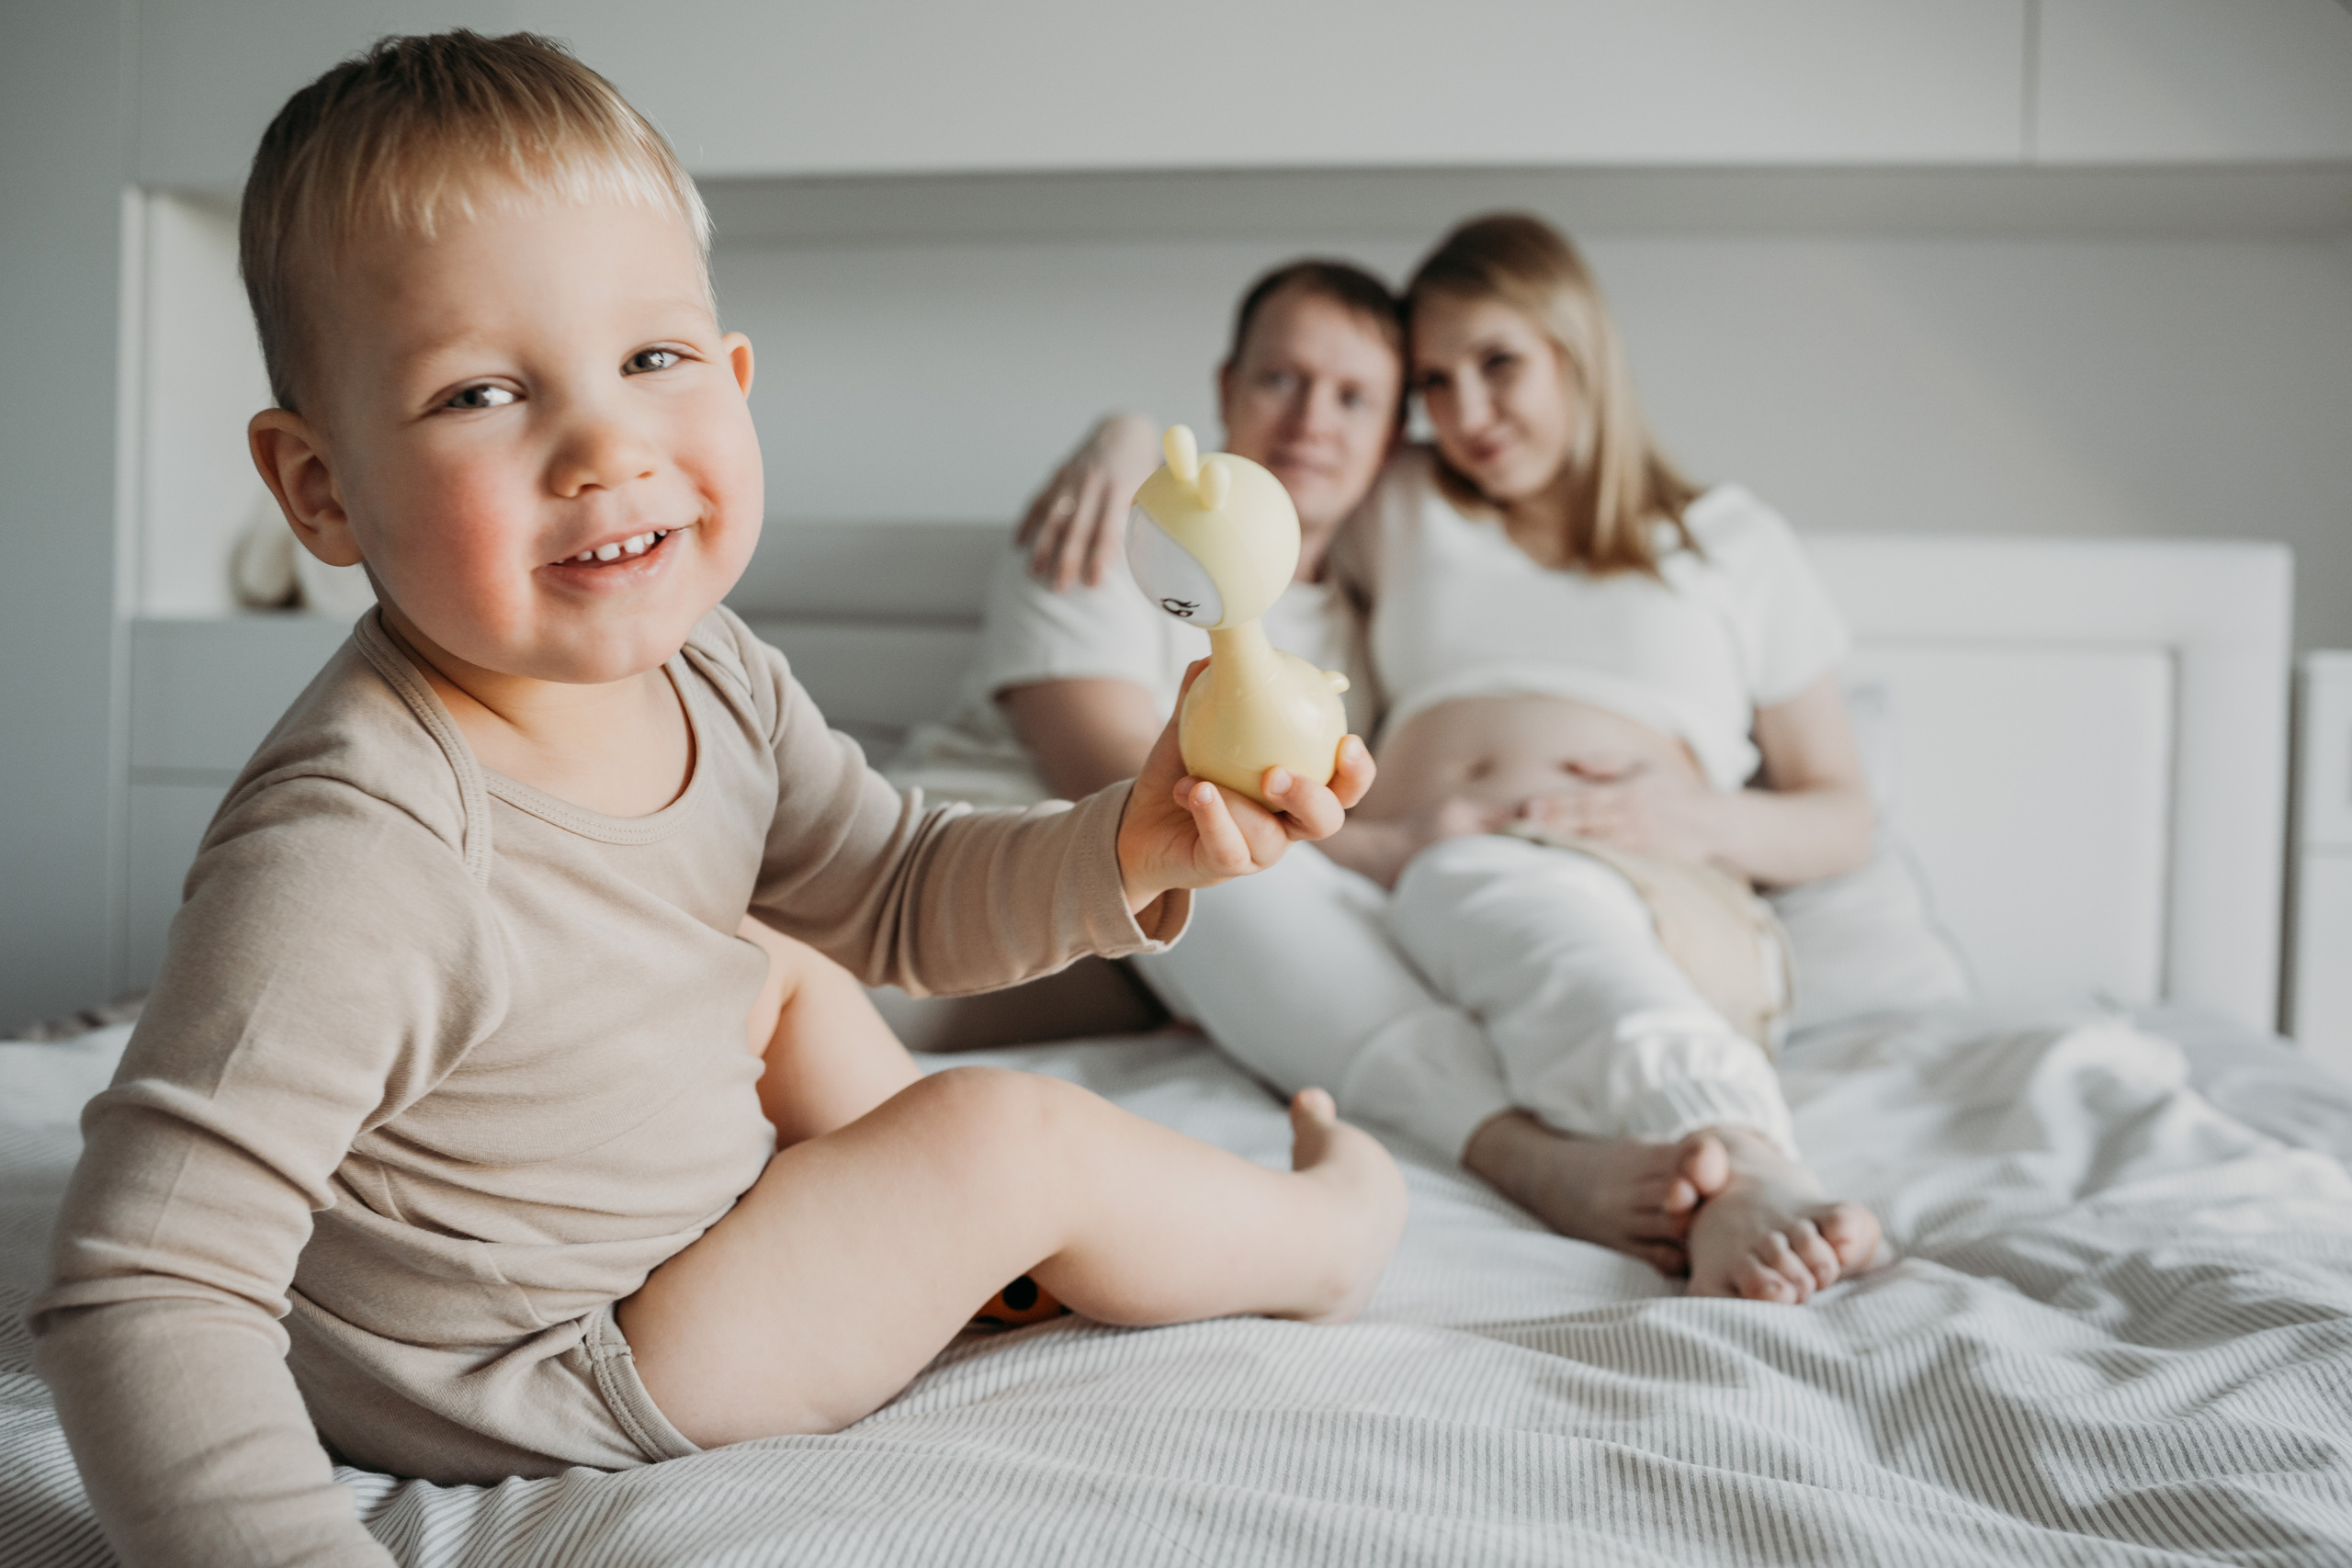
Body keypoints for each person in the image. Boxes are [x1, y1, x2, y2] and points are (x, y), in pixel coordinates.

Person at [27, 34, 1404, 1568]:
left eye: (653, 360)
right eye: (482, 390)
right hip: (553, 1362)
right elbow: (144, 1284)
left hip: (641, 1230)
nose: (605, 447)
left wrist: (1123, 843)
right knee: (1008, 1133)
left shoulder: (711, 674)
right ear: (322, 491)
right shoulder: (358, 845)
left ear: (734, 378)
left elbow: (892, 887)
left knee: (774, 969)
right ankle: (1320, 1242)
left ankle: (980, 1260)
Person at [981, 219, 1882, 1303]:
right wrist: (1128, 435)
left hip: (1640, 884)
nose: (1466, 414)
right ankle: (1533, 1152)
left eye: (1499, 366)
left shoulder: (1729, 542)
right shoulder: (1406, 502)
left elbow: (1844, 815)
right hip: (1404, 891)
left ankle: (1739, 1160)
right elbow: (1268, 475)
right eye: (1437, 384)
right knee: (1202, 854)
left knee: (1482, 885)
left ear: (1577, 351)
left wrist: (1693, 818)